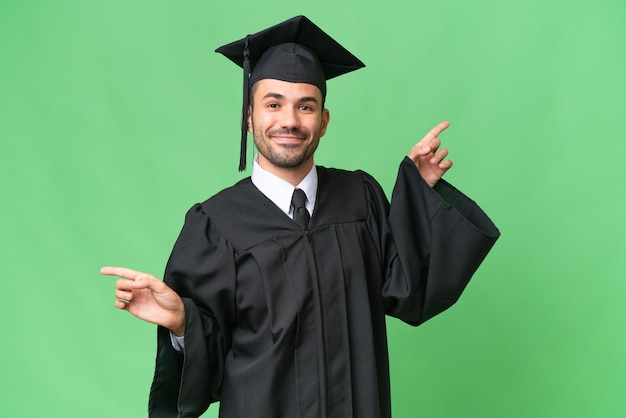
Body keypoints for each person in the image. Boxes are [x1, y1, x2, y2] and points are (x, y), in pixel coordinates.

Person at [101, 15, 500, 418]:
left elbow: (409, 292)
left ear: (323, 122)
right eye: (273, 104)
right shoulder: (216, 224)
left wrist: (418, 193)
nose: (289, 120)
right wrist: (183, 324)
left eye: (305, 106)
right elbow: (209, 366)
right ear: (249, 116)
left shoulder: (360, 199)